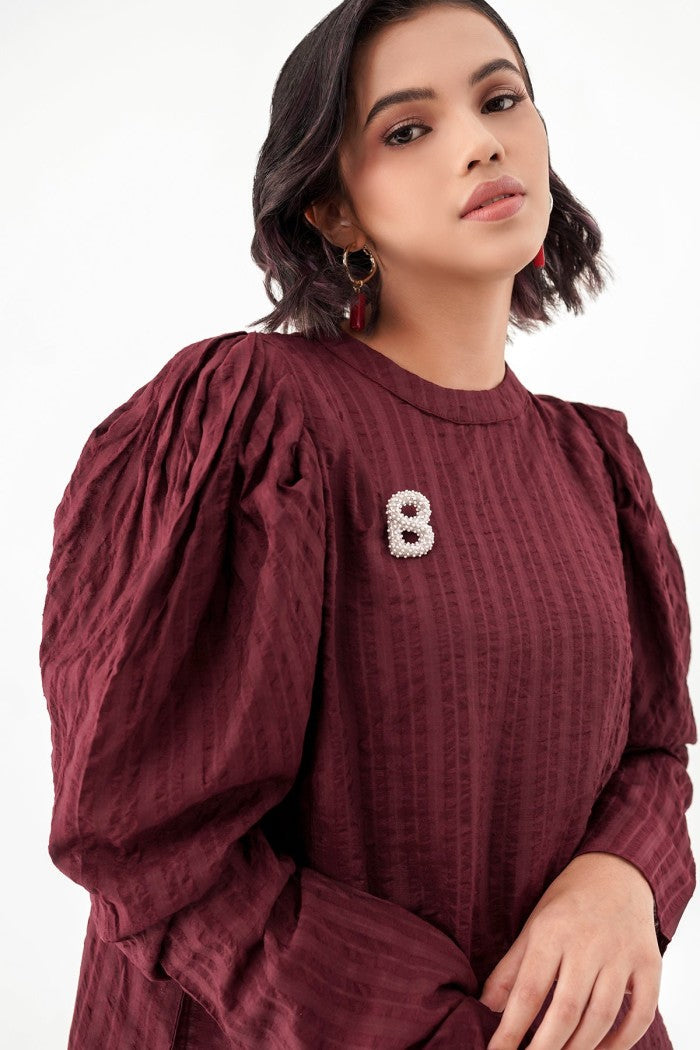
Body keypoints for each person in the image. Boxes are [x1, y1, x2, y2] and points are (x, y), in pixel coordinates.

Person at [39, 1, 696, 1048]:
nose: (479, 141)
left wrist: (624, 878)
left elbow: (653, 751)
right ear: (335, 212)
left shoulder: (596, 464)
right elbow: (148, 837)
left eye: (500, 99)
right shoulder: (252, 418)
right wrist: (434, 1026)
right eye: (408, 128)